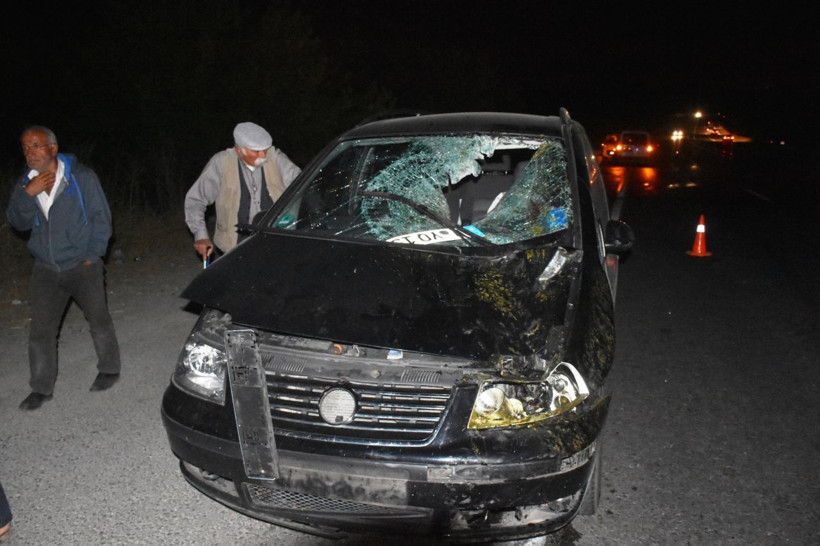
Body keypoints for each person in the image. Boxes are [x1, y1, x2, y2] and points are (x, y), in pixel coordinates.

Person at [6, 126, 122, 411]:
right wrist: (27, 195)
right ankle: (41, 388)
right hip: (46, 268)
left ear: (53, 148)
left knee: (98, 319)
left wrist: (93, 255)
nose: (30, 153)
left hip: (82, 265)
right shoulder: (26, 183)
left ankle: (109, 368)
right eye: (25, 147)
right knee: (41, 331)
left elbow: (101, 217)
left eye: (36, 146)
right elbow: (16, 221)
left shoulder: (81, 178)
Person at [184, 122, 301, 260]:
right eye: (256, 151)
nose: (263, 155)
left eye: (265, 149)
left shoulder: (276, 157)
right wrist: (200, 235)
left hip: (275, 239)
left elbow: (301, 186)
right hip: (235, 244)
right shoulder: (222, 163)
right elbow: (196, 200)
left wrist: (293, 218)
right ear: (239, 150)